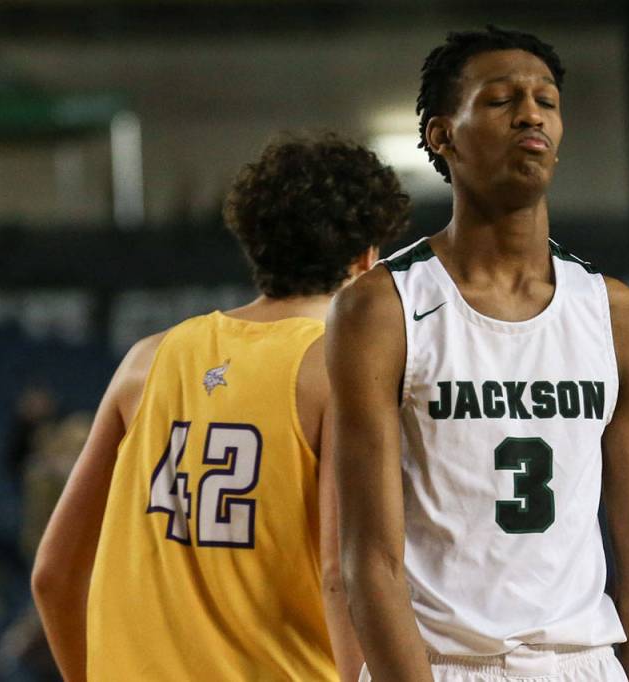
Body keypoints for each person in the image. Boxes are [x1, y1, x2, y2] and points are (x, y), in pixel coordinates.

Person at [327, 25, 629, 682]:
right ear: (442, 135)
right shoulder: (381, 309)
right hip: (442, 663)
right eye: (501, 99)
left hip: (582, 662)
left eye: (546, 100)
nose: (531, 113)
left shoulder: (620, 318)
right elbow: (369, 565)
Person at [31, 133, 410, 681]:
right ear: (366, 259)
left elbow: (53, 574)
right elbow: (344, 576)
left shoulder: (146, 360)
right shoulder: (338, 372)